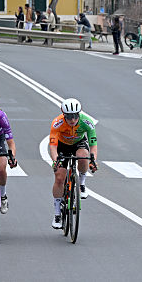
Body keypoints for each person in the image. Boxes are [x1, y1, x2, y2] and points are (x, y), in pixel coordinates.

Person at [48, 98, 98, 229]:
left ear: (79, 114)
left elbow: (93, 145)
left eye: (75, 116)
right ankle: (57, 214)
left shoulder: (87, 122)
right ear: (64, 115)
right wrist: (55, 161)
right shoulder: (57, 123)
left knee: (83, 157)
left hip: (78, 143)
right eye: (69, 117)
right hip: (62, 146)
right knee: (59, 177)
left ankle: (81, 184)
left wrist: (93, 161)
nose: (72, 120)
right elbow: (53, 146)